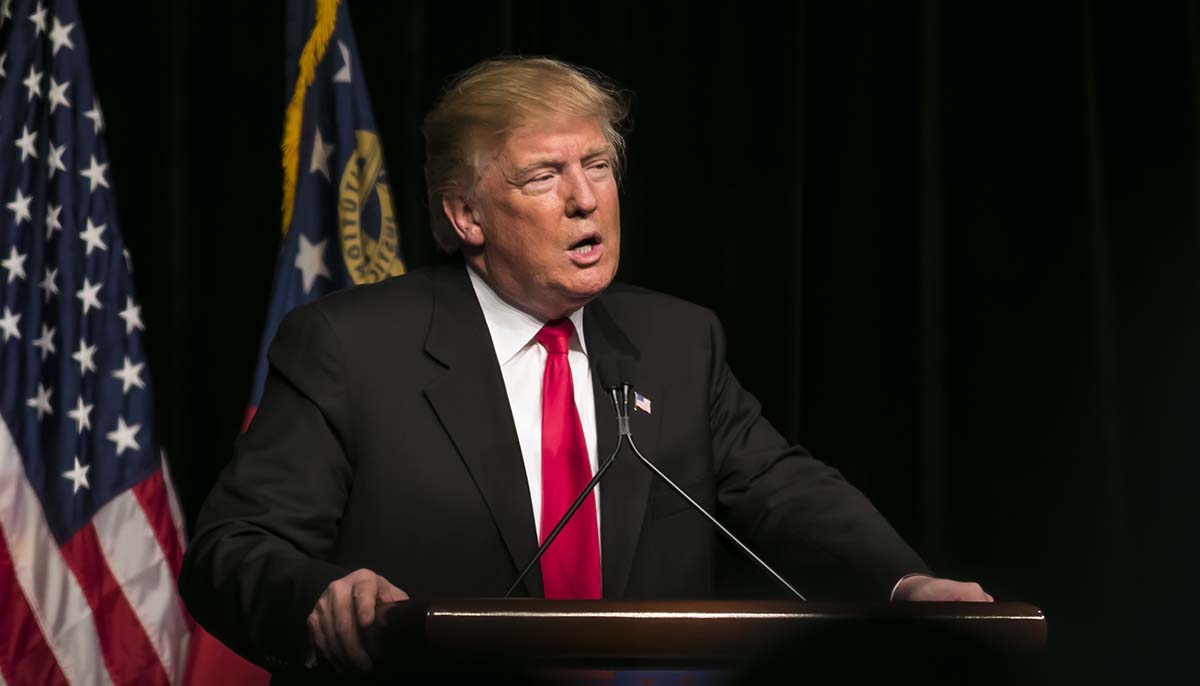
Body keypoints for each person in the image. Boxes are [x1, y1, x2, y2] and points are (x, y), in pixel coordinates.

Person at [179, 56, 991, 676]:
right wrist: (320, 595)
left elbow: (785, 488)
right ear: (465, 215)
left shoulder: (677, 340)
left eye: (597, 166)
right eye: (543, 175)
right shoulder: (351, 347)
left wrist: (904, 586)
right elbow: (232, 550)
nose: (584, 199)